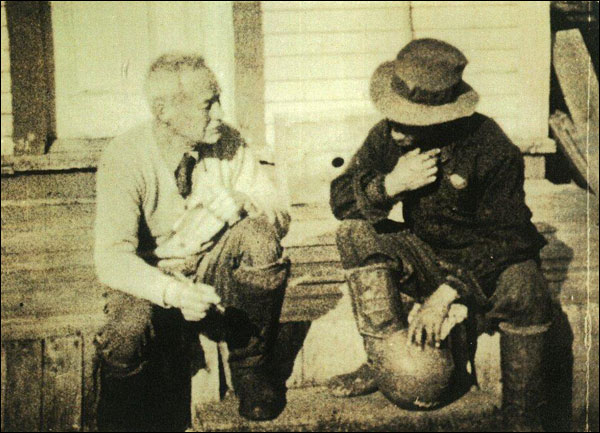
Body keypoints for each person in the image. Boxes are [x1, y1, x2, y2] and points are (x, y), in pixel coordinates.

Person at [328, 39, 553, 431]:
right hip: (425, 253)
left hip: (484, 265)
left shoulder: (491, 147)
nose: (395, 128)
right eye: (392, 114)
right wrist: (390, 185)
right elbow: (339, 198)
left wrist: (446, 293)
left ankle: (524, 418)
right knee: (354, 233)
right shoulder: (390, 135)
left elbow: (512, 237)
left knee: (527, 289)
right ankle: (383, 358)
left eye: (407, 119)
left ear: (443, 116)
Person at [94, 53, 290, 431]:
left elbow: (279, 214)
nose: (219, 112)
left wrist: (249, 204)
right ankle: (119, 408)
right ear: (163, 109)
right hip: (152, 274)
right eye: (207, 104)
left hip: (208, 266)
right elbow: (111, 259)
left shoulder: (227, 141)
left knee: (260, 239)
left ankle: (250, 369)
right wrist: (172, 292)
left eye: (219, 100)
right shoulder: (124, 157)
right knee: (126, 332)